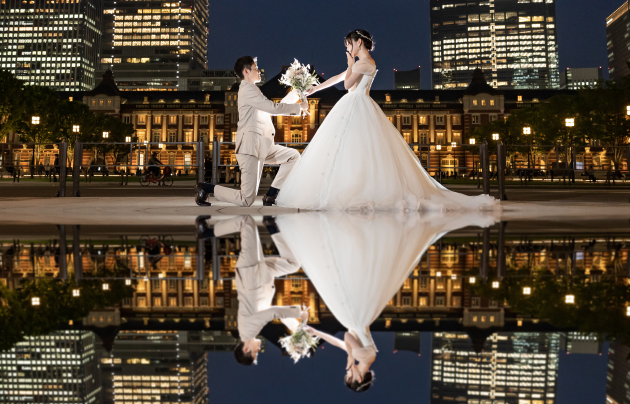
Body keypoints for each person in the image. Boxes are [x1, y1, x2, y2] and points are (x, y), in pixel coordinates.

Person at [276, 210, 498, 391]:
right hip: (355, 316)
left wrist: (314, 332)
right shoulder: (363, 357)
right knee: (339, 276)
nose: (348, 372)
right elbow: (346, 337)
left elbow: (338, 342)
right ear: (358, 378)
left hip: (356, 316)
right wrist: (350, 356)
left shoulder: (366, 358)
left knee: (343, 276)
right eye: (349, 376)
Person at [275, 29, 496, 211]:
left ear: (359, 42)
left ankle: (357, 191)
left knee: (354, 149)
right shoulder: (361, 63)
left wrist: (350, 63)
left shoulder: (365, 63)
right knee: (349, 150)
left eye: (349, 44)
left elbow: (347, 84)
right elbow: (338, 78)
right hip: (354, 105)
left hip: (357, 104)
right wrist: (315, 89)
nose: (348, 49)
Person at [195, 56, 308, 207]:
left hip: (262, 145)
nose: (259, 71)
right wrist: (299, 107)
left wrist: (296, 93)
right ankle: (205, 188)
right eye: (256, 68)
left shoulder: (253, 90)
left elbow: (273, 108)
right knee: (246, 199)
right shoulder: (248, 90)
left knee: (293, 156)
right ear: (246, 71)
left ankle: (271, 195)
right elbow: (273, 108)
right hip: (250, 148)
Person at [196, 215, 309, 365]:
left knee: (246, 222)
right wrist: (296, 328)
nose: (259, 349)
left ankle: (205, 233)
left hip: (250, 273)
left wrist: (299, 314)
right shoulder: (252, 331)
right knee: (292, 264)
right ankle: (270, 225)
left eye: (255, 353)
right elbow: (271, 311)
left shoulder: (248, 331)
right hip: (262, 276)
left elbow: (273, 312)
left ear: (246, 349)